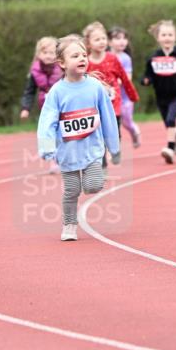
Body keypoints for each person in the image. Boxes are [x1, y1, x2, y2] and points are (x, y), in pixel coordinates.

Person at [37, 34, 120, 242]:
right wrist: (47, 147)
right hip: (68, 151)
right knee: (72, 190)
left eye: (84, 54)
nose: (82, 58)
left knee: (93, 185)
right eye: (75, 56)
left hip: (92, 149)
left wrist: (113, 146)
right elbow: (47, 121)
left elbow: (108, 117)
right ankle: (69, 224)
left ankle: (90, 179)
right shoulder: (56, 92)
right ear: (62, 63)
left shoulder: (94, 87)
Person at [143, 20, 176, 163]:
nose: (167, 37)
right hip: (161, 96)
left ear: (175, 37)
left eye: (170, 34)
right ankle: (175, 139)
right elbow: (148, 74)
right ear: (158, 38)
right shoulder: (153, 57)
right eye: (164, 35)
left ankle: (170, 148)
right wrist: (146, 80)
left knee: (171, 120)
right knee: (169, 124)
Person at [83, 22, 139, 146]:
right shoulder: (85, 61)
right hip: (96, 101)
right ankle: (102, 158)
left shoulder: (115, 59)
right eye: (97, 39)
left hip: (117, 98)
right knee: (99, 128)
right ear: (89, 43)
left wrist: (132, 95)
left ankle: (119, 142)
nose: (102, 41)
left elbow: (125, 78)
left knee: (122, 122)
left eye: (103, 38)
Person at [109, 26, 141, 147]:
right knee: (112, 121)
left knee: (126, 122)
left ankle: (134, 131)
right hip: (111, 98)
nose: (122, 41)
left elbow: (127, 77)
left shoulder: (125, 58)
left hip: (125, 97)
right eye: (117, 38)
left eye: (124, 38)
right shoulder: (106, 57)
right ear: (109, 42)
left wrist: (113, 82)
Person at [19, 37, 62, 120]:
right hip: (45, 106)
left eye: (51, 53)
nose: (48, 56)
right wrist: (25, 108)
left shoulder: (62, 68)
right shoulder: (34, 71)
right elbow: (29, 92)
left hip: (62, 104)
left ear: (57, 54)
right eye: (45, 52)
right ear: (38, 54)